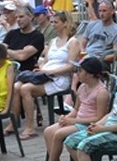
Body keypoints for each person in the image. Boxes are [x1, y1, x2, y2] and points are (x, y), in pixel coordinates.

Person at [33, 56, 111, 161]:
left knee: (58, 134)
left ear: (90, 74)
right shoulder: (82, 88)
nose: (77, 74)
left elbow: (99, 118)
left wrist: (73, 120)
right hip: (77, 121)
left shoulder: (101, 92)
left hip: (88, 125)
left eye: (80, 71)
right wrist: (66, 117)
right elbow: (76, 110)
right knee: (48, 131)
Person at [14, 11, 80, 140]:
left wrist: (49, 72)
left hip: (60, 78)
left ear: (65, 24)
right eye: (52, 22)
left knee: (25, 88)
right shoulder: (53, 41)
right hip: (46, 75)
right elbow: (45, 61)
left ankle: (30, 127)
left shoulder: (73, 42)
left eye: (56, 22)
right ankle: (14, 122)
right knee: (17, 85)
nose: (53, 25)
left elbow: (71, 66)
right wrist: (41, 69)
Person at [2, 5, 45, 72]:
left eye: (21, 16)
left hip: (24, 72)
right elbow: (0, 51)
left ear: (30, 17)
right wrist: (16, 53)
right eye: (16, 17)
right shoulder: (12, 33)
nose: (18, 20)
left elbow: (22, 56)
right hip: (6, 68)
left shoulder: (38, 36)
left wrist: (7, 51)